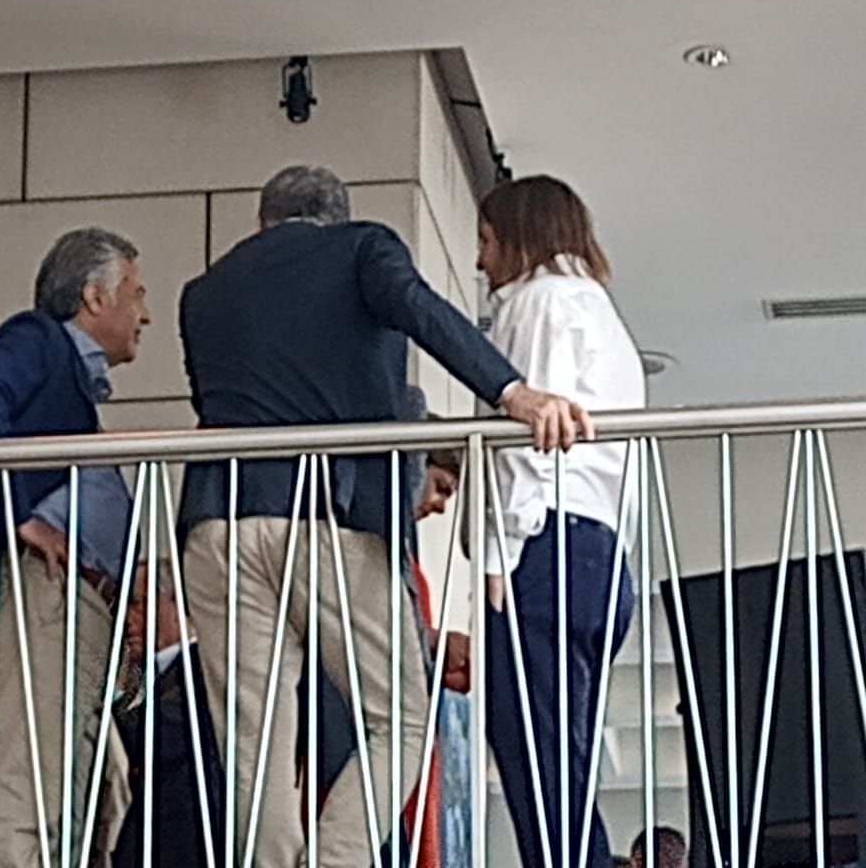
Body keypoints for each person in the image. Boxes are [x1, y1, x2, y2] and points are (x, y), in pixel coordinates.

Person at [178, 164, 592, 867]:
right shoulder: (361, 248)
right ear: (335, 218)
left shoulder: (205, 291)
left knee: (254, 742)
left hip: (219, 520)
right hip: (327, 515)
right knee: (400, 713)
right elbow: (420, 309)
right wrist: (511, 391)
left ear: (263, 222)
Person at [0, 226, 150, 865]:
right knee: (32, 790)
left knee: (80, 788)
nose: (144, 314)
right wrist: (20, 514)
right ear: (94, 296)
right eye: (136, 293)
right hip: (44, 593)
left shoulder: (68, 380)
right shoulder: (38, 338)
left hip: (72, 605)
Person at [477, 175, 645, 868]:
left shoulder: (538, 302)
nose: (482, 260)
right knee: (563, 758)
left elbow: (533, 435)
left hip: (547, 544)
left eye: (488, 241)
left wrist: (498, 551)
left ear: (521, 237)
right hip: (599, 553)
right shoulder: (600, 313)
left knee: (536, 757)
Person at [107, 568, 224, 868]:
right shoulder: (154, 675)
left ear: (177, 606)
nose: (129, 618)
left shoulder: (200, 671)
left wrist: (124, 676)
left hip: (183, 847)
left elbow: (152, 736)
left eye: (140, 604)